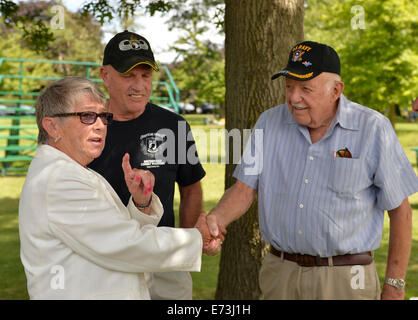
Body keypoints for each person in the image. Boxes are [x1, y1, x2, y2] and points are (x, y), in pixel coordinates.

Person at [207, 41, 418, 300]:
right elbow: (243, 189)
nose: (294, 98)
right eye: (289, 87)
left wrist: (394, 285)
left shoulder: (373, 129)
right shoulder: (268, 123)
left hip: (347, 280)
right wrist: (214, 222)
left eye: (305, 88)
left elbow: (401, 212)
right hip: (280, 275)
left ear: (336, 90)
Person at [19, 77, 219, 300]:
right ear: (52, 125)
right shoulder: (60, 180)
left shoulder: (75, 171)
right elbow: (127, 245)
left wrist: (141, 203)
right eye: (87, 116)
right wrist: (197, 238)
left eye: (103, 116)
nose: (100, 125)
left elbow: (113, 235)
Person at [88, 30, 207, 300]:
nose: (139, 85)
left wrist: (186, 245)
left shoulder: (174, 126)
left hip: (165, 263)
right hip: (108, 264)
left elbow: (191, 188)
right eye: (128, 75)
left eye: (145, 75)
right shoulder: (89, 127)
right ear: (105, 75)